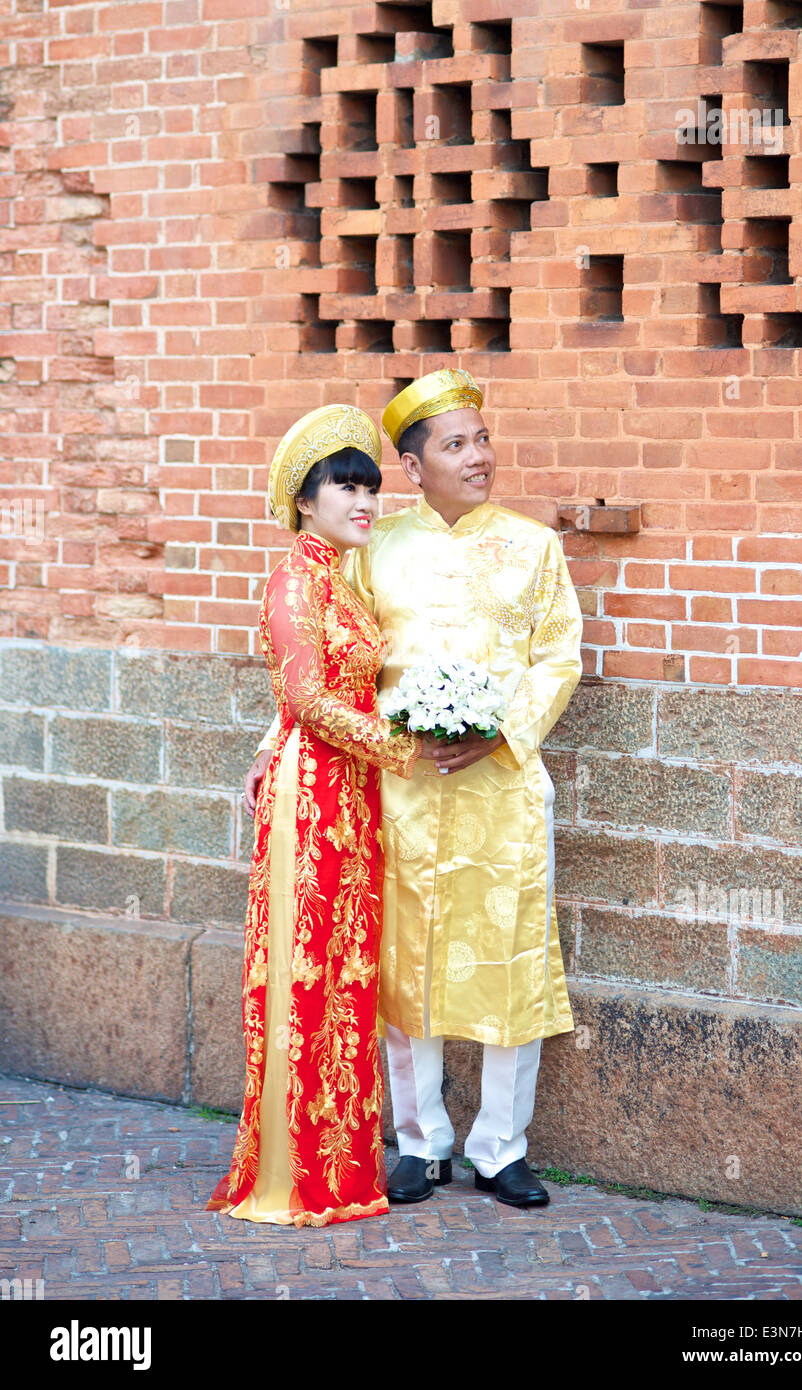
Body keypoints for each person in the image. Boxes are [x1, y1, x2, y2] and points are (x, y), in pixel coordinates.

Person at [249, 369, 583, 1208]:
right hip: (393, 791)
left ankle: (501, 1148)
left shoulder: (534, 546)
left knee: (510, 960)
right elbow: (328, 661)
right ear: (412, 465)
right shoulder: (375, 546)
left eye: (482, 439)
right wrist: (272, 741)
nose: (480, 457)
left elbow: (558, 658)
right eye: (457, 444)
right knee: (404, 962)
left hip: (500, 787)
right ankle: (419, 1140)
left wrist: (501, 730)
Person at [207, 404, 422, 1228]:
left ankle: (337, 1171)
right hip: (314, 794)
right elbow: (303, 697)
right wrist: (402, 746)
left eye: (371, 489)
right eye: (345, 487)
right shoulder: (294, 578)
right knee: (304, 974)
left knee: (346, 978)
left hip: (354, 795)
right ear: (305, 499)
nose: (365, 502)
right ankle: (290, 1177)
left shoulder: (339, 576)